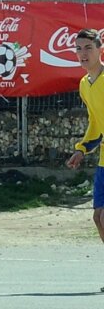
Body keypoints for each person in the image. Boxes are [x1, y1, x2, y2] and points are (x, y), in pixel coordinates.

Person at [64, 28, 104, 243]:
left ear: (100, 50)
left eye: (88, 48)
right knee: (98, 218)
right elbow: (96, 123)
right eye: (78, 49)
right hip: (103, 163)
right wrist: (81, 149)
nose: (83, 53)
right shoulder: (84, 85)